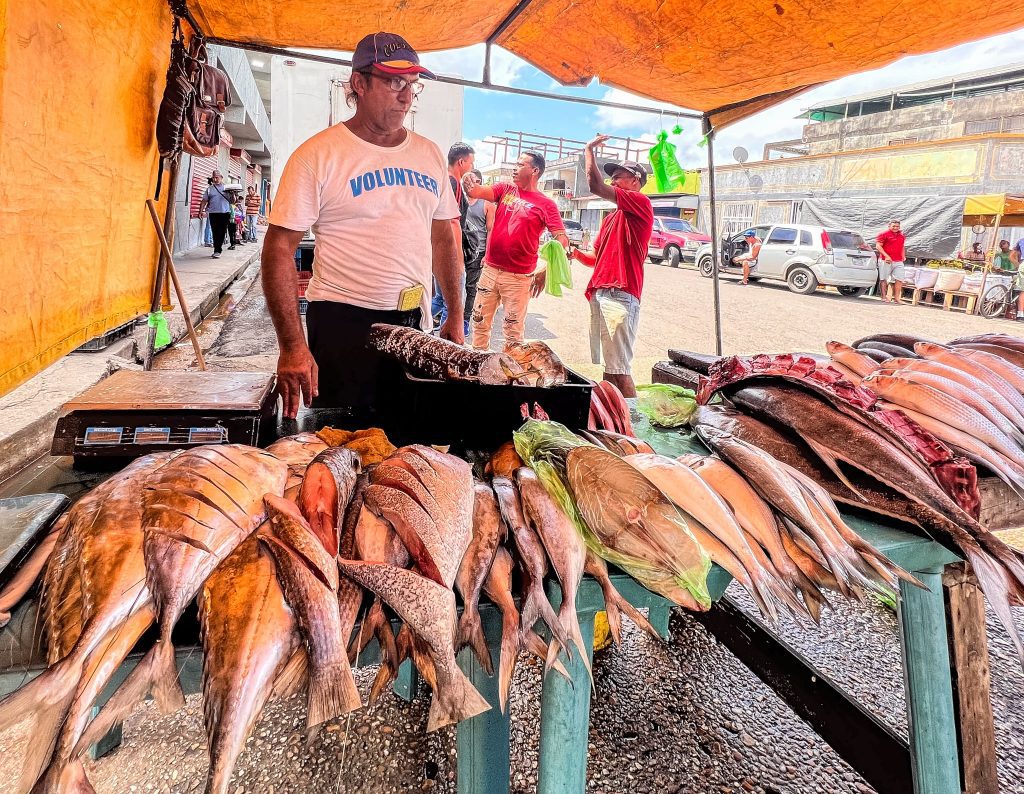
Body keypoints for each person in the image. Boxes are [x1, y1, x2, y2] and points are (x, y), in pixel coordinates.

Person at [262, 32, 462, 419]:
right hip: (342, 325)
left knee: (408, 436)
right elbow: (279, 248)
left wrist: (454, 311)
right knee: (340, 442)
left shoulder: (429, 154)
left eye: (411, 86)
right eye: (394, 82)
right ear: (359, 83)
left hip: (414, 321)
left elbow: (443, 237)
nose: (406, 96)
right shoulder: (318, 155)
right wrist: (291, 345)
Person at [568, 135, 654, 398]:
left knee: (621, 370)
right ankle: (614, 425)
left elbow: (594, 184)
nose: (613, 181)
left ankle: (633, 425)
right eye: (612, 176)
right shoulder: (610, 219)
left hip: (621, 293)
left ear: (635, 181)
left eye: (618, 176)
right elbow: (597, 258)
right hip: (601, 292)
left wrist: (588, 150)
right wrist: (573, 254)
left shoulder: (640, 204)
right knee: (610, 369)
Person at [465, 151, 568, 349]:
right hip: (490, 270)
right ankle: (479, 369)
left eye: (520, 165)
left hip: (519, 278)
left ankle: (510, 377)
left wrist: (545, 270)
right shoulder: (505, 189)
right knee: (479, 324)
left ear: (535, 170)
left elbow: (561, 240)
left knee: (513, 334)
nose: (514, 168)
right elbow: (475, 192)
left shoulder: (547, 204)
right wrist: (466, 177)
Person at [431, 141, 476, 328]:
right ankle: (447, 345)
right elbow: (452, 222)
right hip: (449, 253)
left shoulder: (445, 181)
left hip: (439, 251)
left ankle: (415, 324)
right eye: (470, 163)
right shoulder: (453, 184)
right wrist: (456, 261)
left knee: (440, 299)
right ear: (461, 162)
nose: (472, 167)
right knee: (452, 303)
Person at [462, 168, 493, 335]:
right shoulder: (460, 200)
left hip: (477, 253)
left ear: (479, 183)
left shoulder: (487, 204)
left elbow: (491, 231)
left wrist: (487, 255)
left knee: (471, 288)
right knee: (454, 286)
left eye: (471, 181)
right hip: (459, 251)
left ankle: (465, 320)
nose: (468, 184)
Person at [198, 170, 235, 258]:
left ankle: (218, 249)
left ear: (221, 178)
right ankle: (216, 250)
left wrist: (233, 194)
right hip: (213, 213)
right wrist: (201, 211)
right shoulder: (210, 189)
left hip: (224, 213)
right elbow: (204, 201)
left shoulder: (227, 188)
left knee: (221, 232)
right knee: (215, 232)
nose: (215, 179)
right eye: (213, 177)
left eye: (217, 177)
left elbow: (233, 201)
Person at [876, 219, 906, 304]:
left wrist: (903, 255)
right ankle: (884, 297)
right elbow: (878, 246)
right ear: (889, 226)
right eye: (894, 226)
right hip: (885, 260)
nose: (895, 228)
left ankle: (896, 298)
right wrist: (886, 256)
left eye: (897, 226)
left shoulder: (902, 236)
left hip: (898, 260)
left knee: (899, 279)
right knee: (884, 278)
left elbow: (902, 246)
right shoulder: (883, 234)